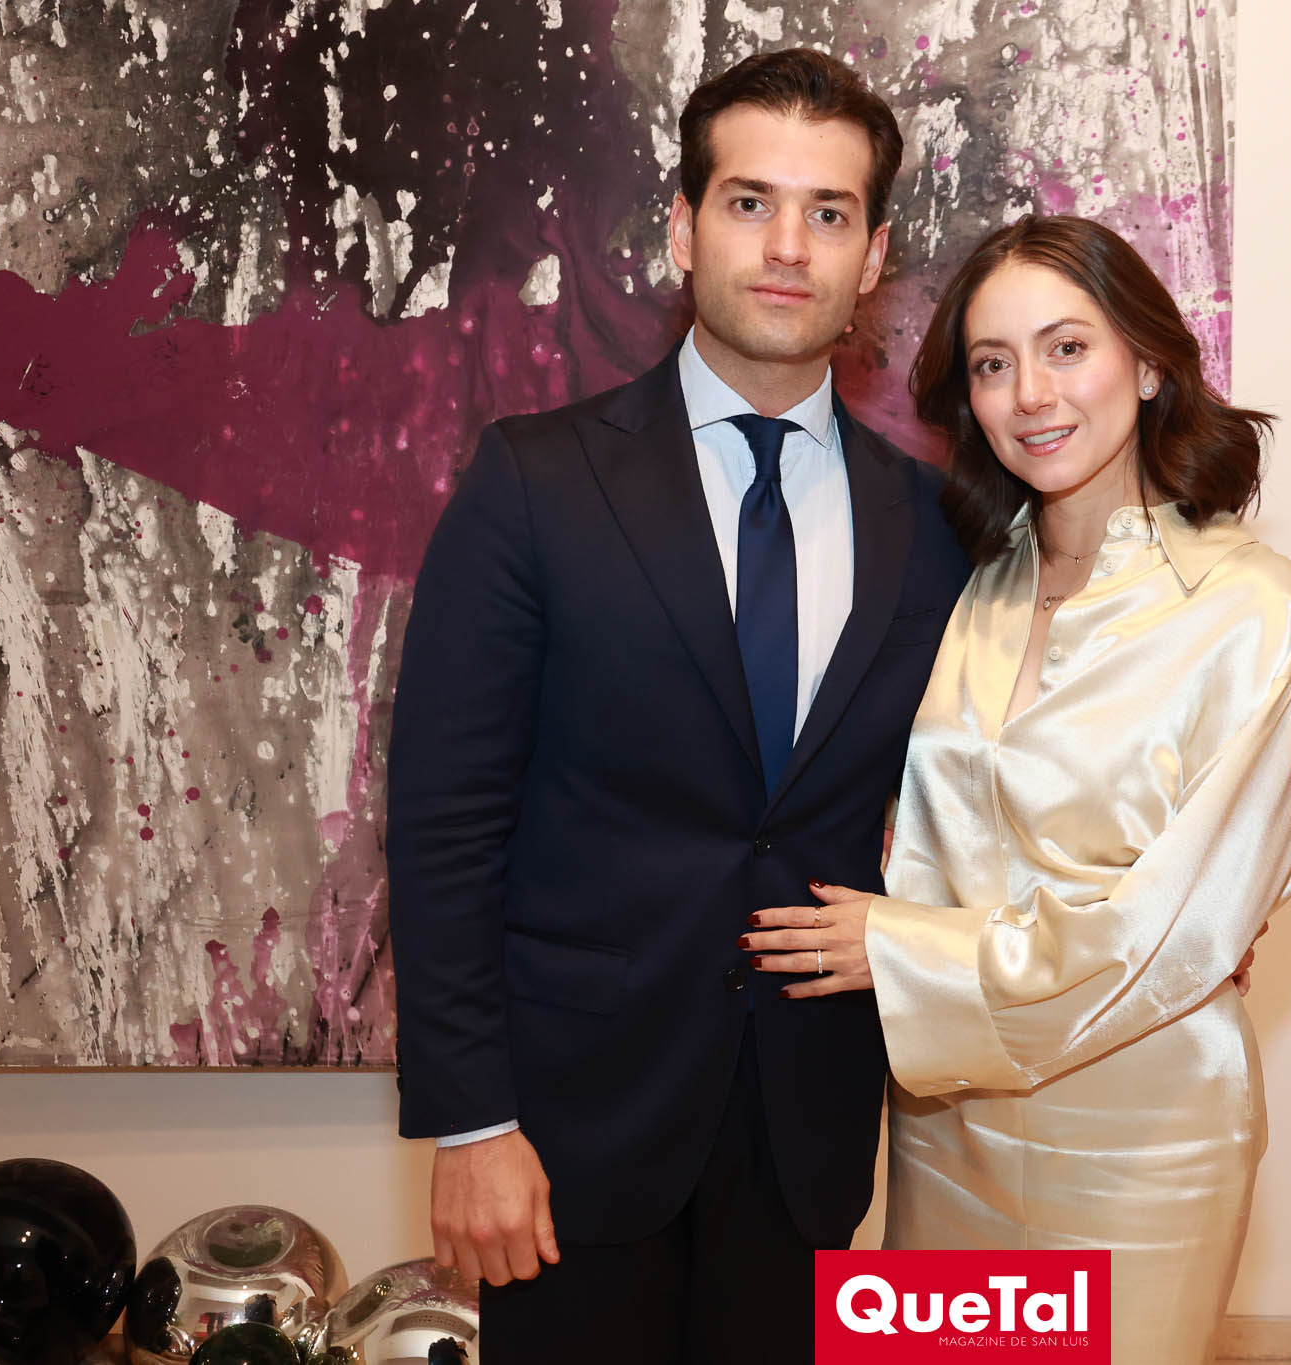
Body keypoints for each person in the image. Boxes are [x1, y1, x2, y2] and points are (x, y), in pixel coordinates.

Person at [385, 48, 971, 1364]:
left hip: (811, 1132)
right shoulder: (534, 483)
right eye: (750, 202)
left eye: (828, 213)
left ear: (873, 257)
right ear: (681, 228)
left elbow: (993, 781)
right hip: (565, 1138)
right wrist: (471, 1122)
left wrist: (1155, 914)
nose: (787, 246)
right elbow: (443, 823)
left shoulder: (935, 524)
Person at [744, 214, 1291, 1363]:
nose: (1030, 395)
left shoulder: (1249, 606)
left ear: (1147, 364)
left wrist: (898, 951)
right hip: (945, 1122)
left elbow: (1175, 930)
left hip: (1140, 1132)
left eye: (1066, 348)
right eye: (991, 363)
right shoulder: (974, 582)